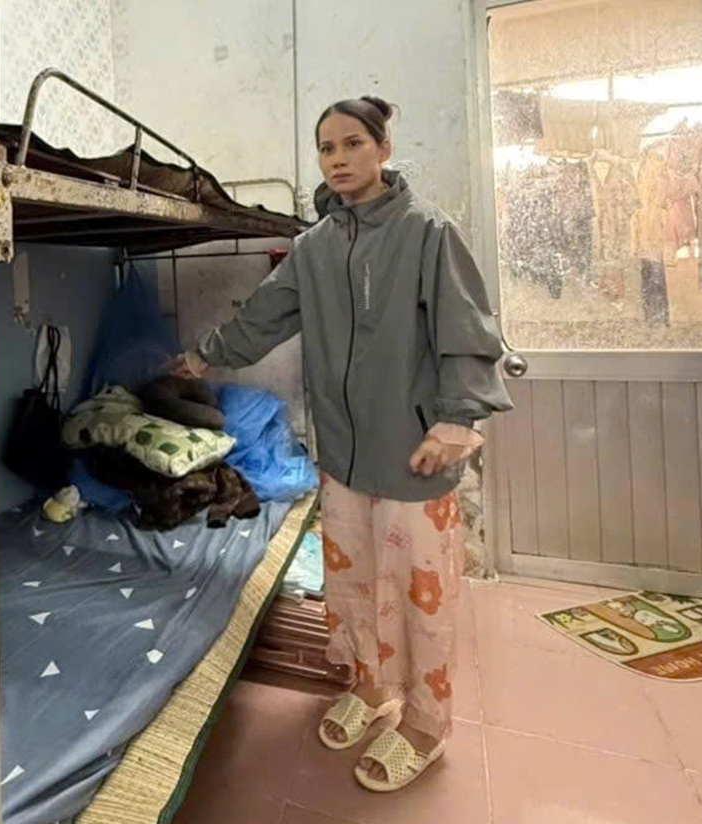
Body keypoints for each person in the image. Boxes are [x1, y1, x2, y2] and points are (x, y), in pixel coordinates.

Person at [169, 97, 513, 791]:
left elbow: (467, 331)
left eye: (353, 143)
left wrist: (454, 421)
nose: (338, 159)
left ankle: (426, 723)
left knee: (420, 596)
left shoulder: (427, 233)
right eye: (327, 148)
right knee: (352, 584)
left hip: (415, 450)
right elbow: (263, 316)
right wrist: (204, 355)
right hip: (344, 454)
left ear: (383, 149)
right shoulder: (314, 248)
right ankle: (370, 685)